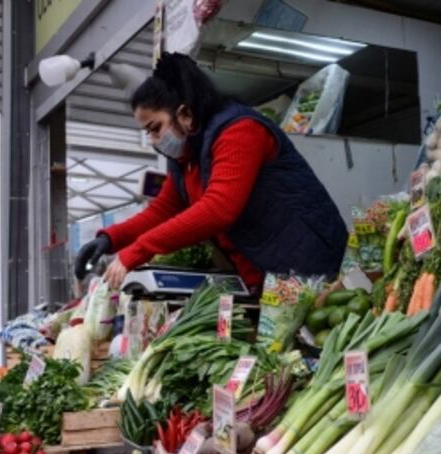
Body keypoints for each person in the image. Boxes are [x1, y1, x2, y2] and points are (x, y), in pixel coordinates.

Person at [74, 53, 349, 291]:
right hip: (266, 274)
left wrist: (137, 250)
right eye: (148, 133)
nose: (154, 140)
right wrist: (108, 239)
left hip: (308, 263)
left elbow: (218, 209)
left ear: (185, 114)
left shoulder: (239, 131)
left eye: (155, 128)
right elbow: (163, 210)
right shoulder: (187, 154)